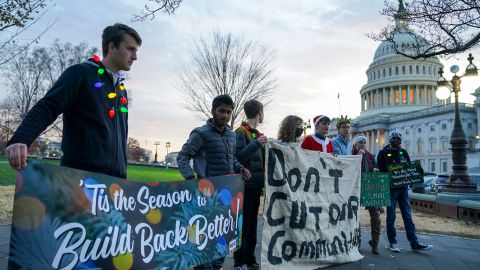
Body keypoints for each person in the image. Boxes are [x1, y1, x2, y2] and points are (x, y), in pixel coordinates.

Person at [5, 23, 142, 178]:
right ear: (112, 47)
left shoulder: (121, 90)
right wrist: (21, 139)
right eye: (130, 49)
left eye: (136, 51)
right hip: (79, 181)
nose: (135, 57)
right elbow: (48, 107)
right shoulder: (80, 74)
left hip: (114, 185)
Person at [176, 94, 251, 270]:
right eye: (221, 111)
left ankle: (216, 266)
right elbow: (183, 156)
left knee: (222, 238)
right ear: (213, 111)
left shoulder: (232, 135)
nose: (225, 115)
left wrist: (241, 168)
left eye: (228, 112)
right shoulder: (200, 133)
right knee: (203, 239)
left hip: (225, 196)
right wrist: (189, 178)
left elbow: (231, 159)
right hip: (204, 197)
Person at [377, 129, 433, 252]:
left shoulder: (403, 152)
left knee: (407, 216)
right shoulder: (382, 153)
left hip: (403, 189)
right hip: (391, 189)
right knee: (391, 217)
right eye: (394, 138)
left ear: (400, 140)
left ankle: (414, 243)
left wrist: (417, 172)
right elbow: (380, 171)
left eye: (398, 139)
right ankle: (393, 242)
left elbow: (408, 168)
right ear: (390, 139)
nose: (396, 141)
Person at [233, 100, 267, 270]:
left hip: (255, 186)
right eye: (263, 111)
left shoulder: (256, 133)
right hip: (245, 186)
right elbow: (237, 157)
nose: (263, 115)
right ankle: (239, 261)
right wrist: (257, 144)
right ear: (259, 112)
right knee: (243, 225)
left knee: (252, 225)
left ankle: (250, 258)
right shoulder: (240, 132)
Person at [352, 134, 383, 255]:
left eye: (365, 142)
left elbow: (375, 167)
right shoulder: (351, 155)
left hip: (370, 188)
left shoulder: (370, 156)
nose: (363, 144)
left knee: (376, 217)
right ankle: (357, 242)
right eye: (360, 142)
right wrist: (357, 158)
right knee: (354, 216)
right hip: (355, 188)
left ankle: (375, 243)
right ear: (355, 144)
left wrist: (375, 170)